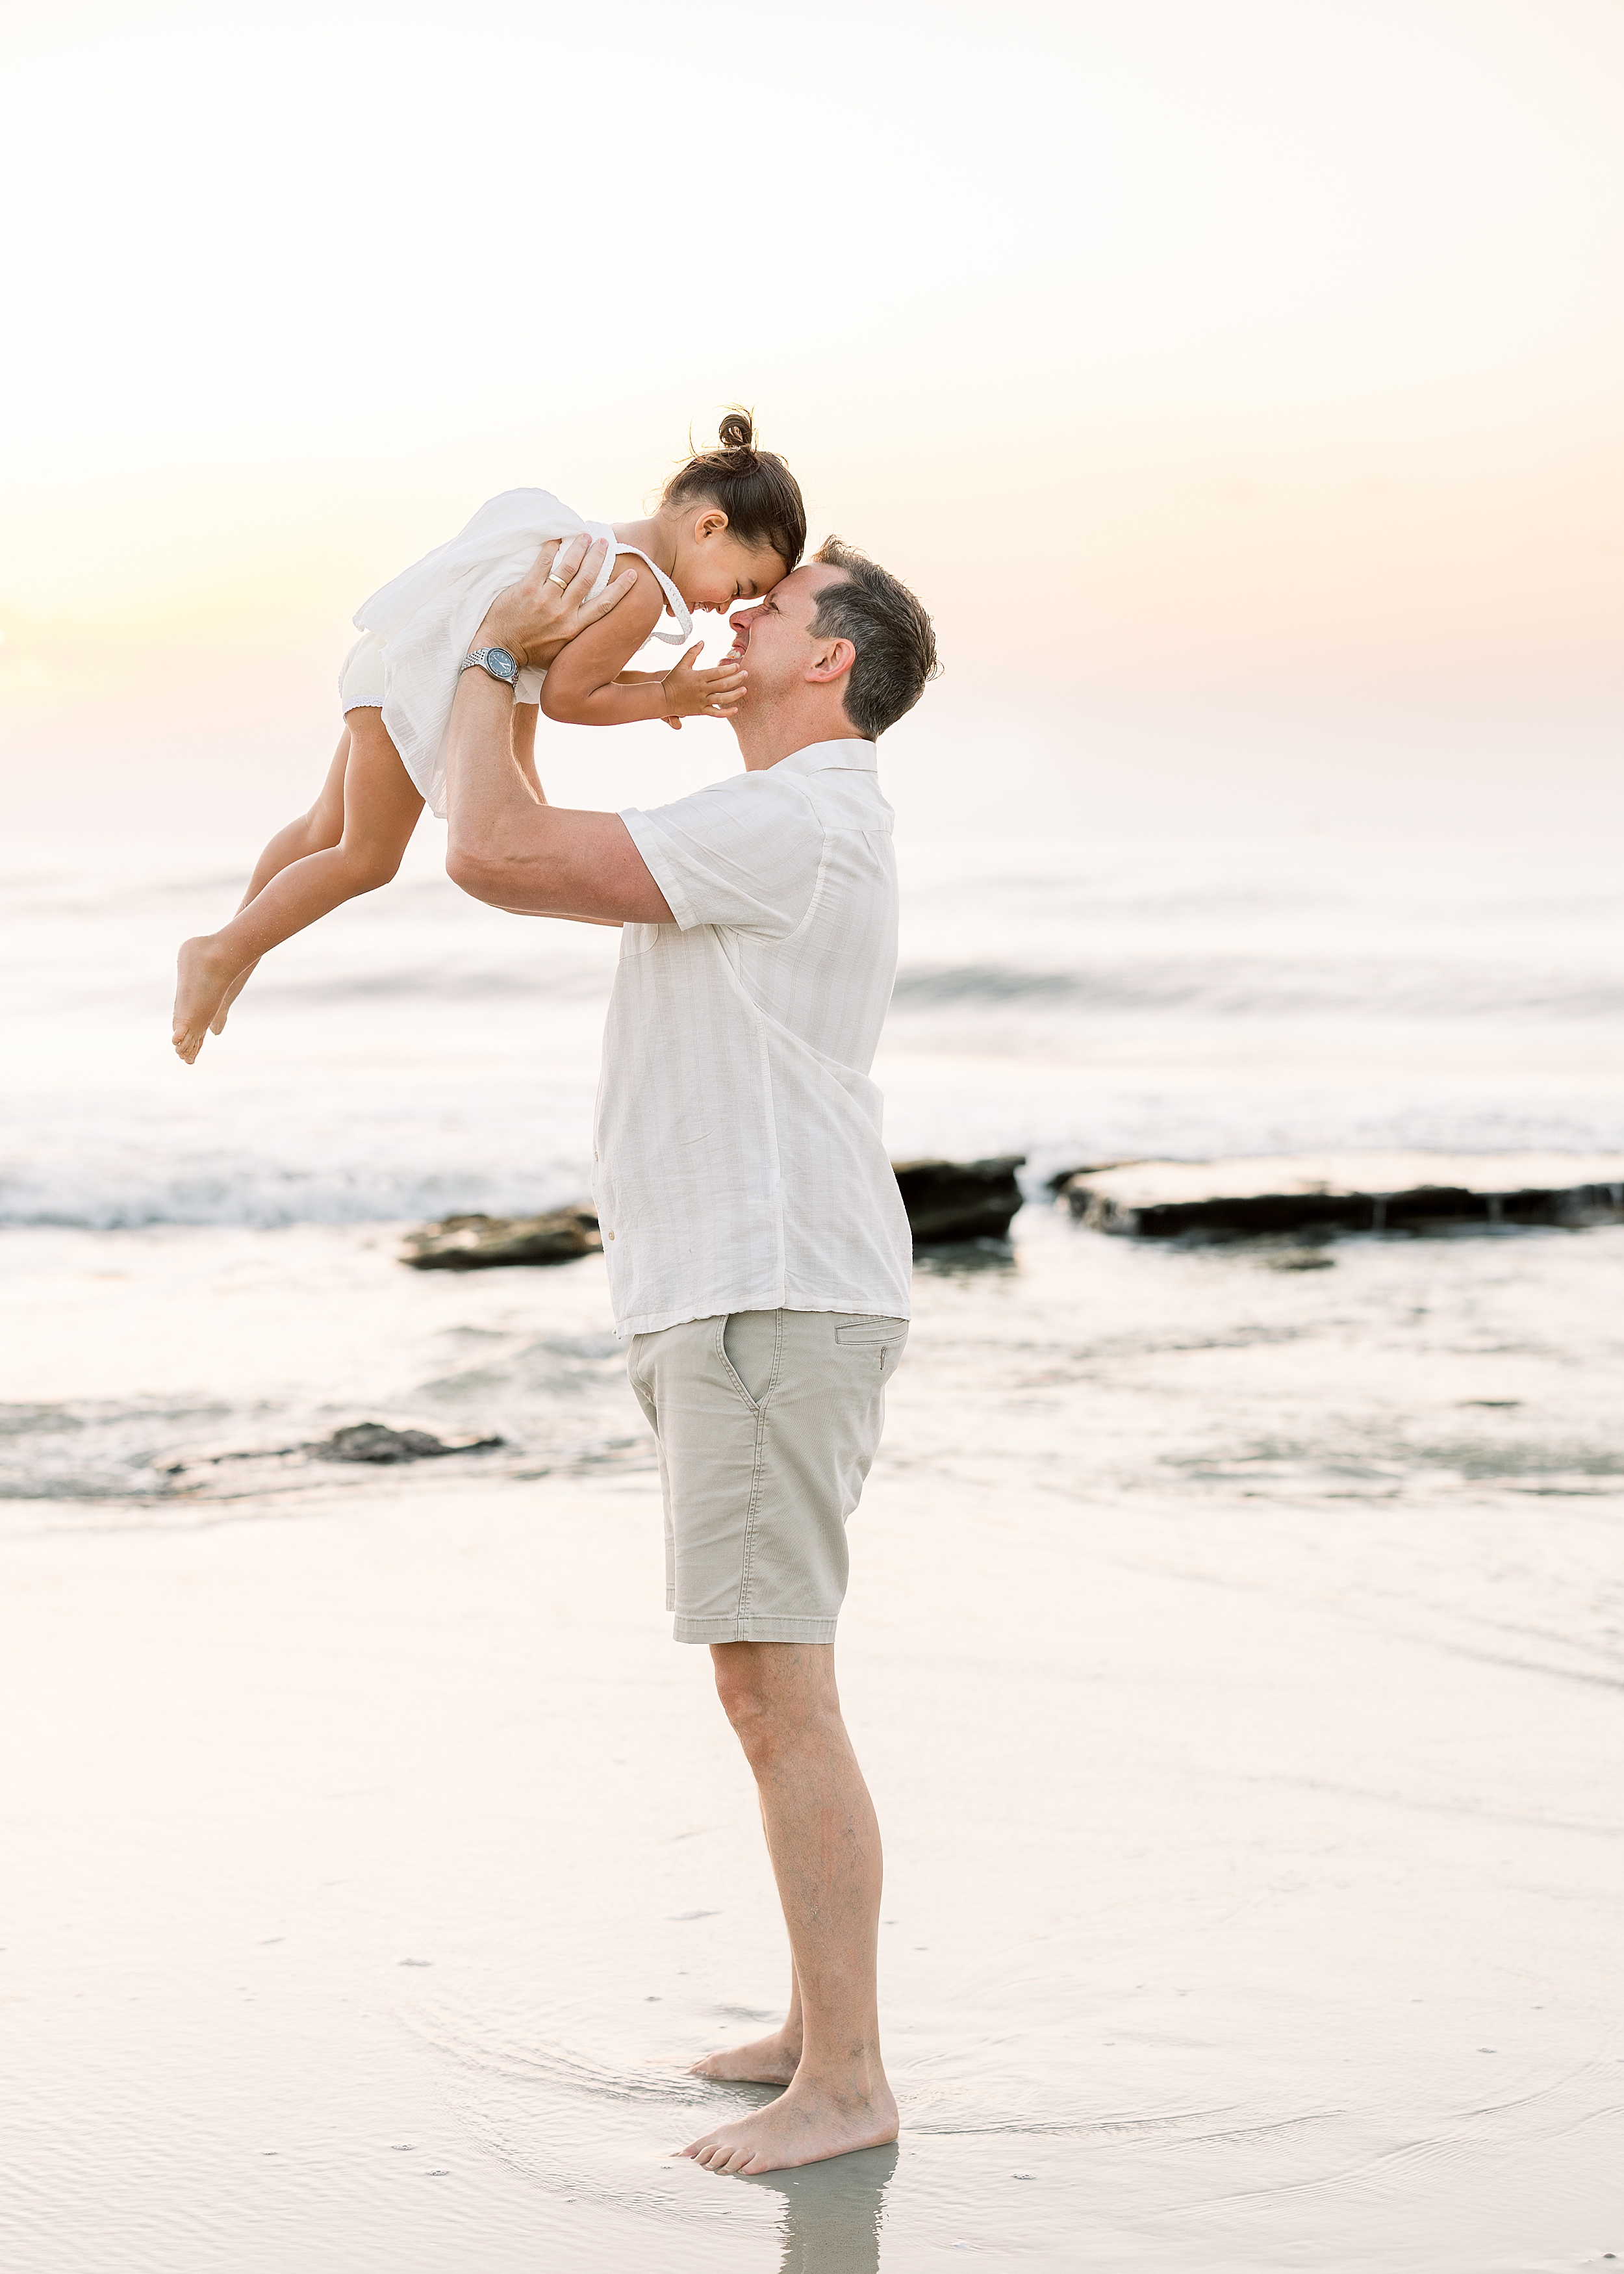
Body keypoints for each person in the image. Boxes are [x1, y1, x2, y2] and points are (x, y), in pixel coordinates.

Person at [442, 528, 939, 2177]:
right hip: (744, 1286)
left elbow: (496, 852)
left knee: (772, 1682)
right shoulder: (790, 819)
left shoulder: (790, 815)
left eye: (776, 607)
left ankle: (851, 2078)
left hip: (766, 1290)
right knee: (768, 1680)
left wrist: (499, 660)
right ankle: (819, 2029)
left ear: (829, 664)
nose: (738, 607)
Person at [170, 413, 802, 1062]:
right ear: (709, 528)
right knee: (366, 856)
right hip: (418, 688)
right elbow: (567, 698)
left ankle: (238, 941)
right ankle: (222, 952)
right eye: (743, 586)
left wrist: (648, 684)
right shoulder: (640, 590)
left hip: (391, 662)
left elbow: (568, 665)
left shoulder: (598, 543)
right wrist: (666, 697)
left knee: (322, 826)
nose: (729, 606)